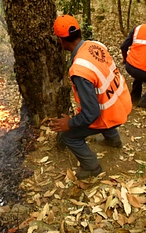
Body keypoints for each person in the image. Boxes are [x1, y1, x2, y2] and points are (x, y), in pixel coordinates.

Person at [49, 15, 132, 179]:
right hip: (121, 101)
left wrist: (70, 124)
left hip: (107, 113)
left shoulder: (79, 70)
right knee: (101, 112)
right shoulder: (95, 45)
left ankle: (92, 167)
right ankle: (114, 141)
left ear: (61, 40)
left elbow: (92, 113)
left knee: (69, 136)